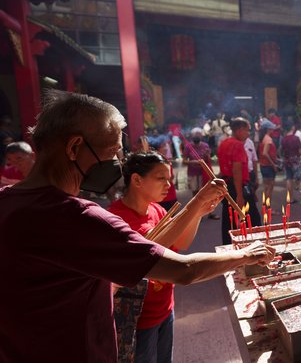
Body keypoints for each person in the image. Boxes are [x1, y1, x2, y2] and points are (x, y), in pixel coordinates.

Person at [0, 90, 275, 361]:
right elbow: (183, 270)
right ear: (73, 148)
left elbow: (149, 247)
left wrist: (196, 206)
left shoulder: (8, 202)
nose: (117, 165)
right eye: (111, 153)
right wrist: (248, 254)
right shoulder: (78, 218)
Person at [109, 152, 215, 362]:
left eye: (169, 179)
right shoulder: (116, 219)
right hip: (138, 320)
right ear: (137, 180)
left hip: (165, 308)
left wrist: (197, 213)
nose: (168, 184)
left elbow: (181, 243)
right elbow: (149, 252)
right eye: (161, 179)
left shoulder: (156, 209)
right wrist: (197, 200)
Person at [217, 117, 261, 245]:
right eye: (247, 131)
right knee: (253, 219)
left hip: (227, 186)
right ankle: (255, 245)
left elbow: (224, 169)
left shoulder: (224, 143)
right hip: (237, 187)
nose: (248, 134)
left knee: (228, 218)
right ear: (239, 130)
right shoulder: (237, 145)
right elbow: (237, 171)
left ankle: (228, 245)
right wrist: (239, 195)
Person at [281, 121, 301, 205]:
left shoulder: (284, 139)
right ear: (292, 127)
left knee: (289, 179)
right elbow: (300, 151)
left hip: (287, 161)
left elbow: (281, 151)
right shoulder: (295, 138)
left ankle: (290, 198)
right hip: (296, 161)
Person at [183, 127, 213, 198]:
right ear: (192, 136)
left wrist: (207, 155)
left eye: (199, 134)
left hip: (203, 173)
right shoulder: (188, 146)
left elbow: (209, 161)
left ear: (201, 136)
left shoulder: (205, 145)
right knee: (195, 192)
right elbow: (184, 161)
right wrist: (192, 162)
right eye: (195, 135)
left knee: (204, 192)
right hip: (192, 173)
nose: (197, 136)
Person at [258, 120, 278, 204]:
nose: (273, 130)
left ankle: (265, 205)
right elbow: (265, 153)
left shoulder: (263, 138)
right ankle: (268, 207)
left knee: (266, 187)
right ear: (268, 129)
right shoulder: (268, 139)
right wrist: (273, 164)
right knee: (270, 187)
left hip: (263, 165)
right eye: (272, 129)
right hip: (268, 166)